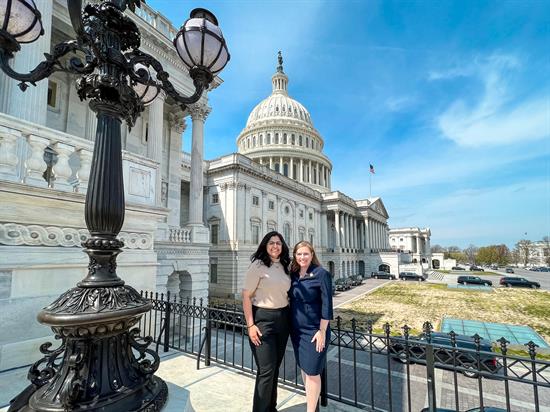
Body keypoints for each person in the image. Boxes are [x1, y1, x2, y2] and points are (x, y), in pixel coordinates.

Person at [242, 231, 291, 412]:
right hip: (263, 319)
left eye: (278, 243)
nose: (275, 246)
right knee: (266, 371)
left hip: (283, 318)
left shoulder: (285, 266)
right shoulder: (258, 265)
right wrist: (250, 325)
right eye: (271, 242)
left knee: (275, 368)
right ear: (265, 245)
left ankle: (271, 408)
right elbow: (246, 296)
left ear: (282, 246)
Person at [289, 241, 333, 412]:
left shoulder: (321, 274)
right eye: (299, 254)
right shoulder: (293, 273)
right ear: (295, 256)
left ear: (312, 255)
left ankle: (310, 410)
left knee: (313, 373)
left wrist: (322, 331)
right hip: (296, 331)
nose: (302, 257)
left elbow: (327, 305)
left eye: (305, 254)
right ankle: (312, 404)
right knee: (304, 368)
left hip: (314, 331)